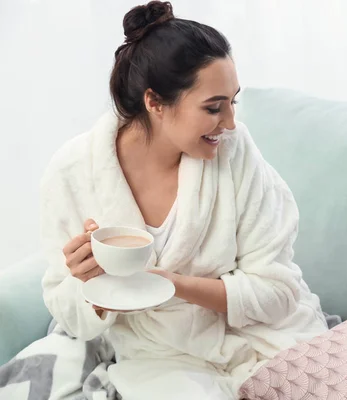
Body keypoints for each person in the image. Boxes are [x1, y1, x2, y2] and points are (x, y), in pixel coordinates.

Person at [38, 1, 327, 398]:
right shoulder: (73, 173)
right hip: (161, 356)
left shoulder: (235, 151)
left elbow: (277, 292)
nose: (229, 124)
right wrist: (88, 283)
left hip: (263, 336)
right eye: (213, 107)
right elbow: (67, 309)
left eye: (233, 102)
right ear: (155, 102)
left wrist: (173, 285)